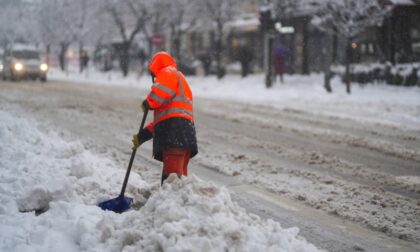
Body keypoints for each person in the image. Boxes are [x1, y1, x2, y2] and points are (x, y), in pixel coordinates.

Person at [131, 52, 198, 184]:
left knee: (171, 182)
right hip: (182, 134)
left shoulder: (168, 72)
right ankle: (179, 203)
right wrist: (143, 135)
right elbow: (166, 118)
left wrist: (149, 102)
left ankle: (173, 203)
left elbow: (159, 93)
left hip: (175, 136)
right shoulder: (177, 79)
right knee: (179, 181)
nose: (155, 79)